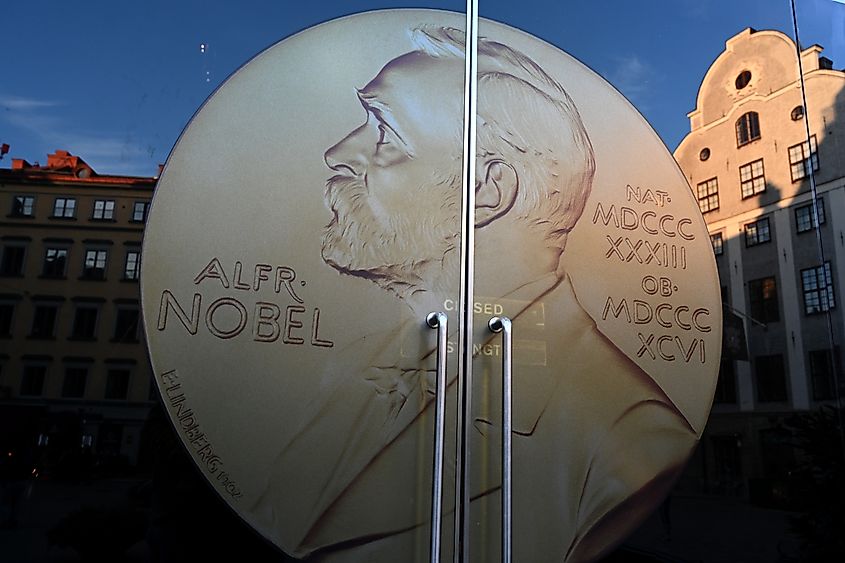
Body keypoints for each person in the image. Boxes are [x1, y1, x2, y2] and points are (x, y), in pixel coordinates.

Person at [250, 26, 698, 562]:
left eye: (385, 132)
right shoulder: (356, 368)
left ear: (486, 189)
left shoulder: (630, 444)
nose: (337, 153)